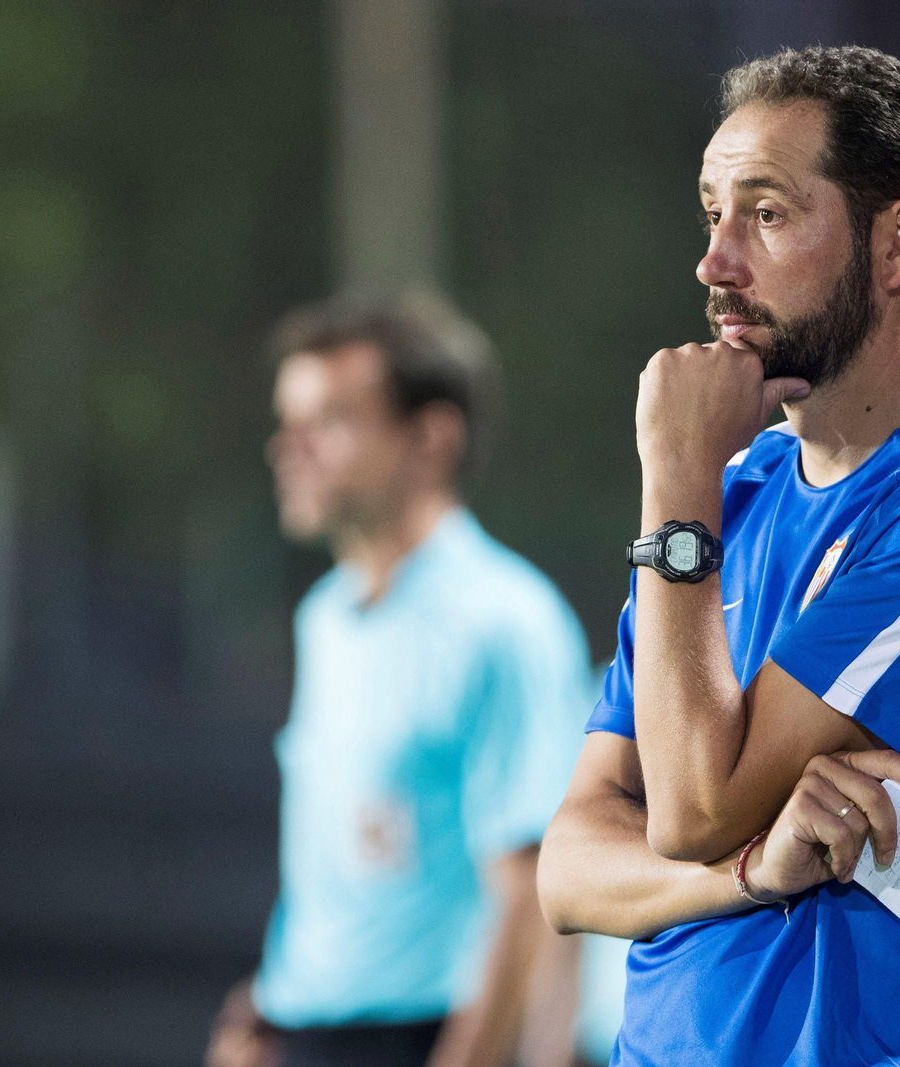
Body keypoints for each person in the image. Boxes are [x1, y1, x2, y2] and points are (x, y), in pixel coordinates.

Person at [537, 45, 900, 1067]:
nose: (715, 262)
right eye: (710, 212)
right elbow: (570, 869)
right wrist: (752, 871)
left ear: (898, 244)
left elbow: (694, 807)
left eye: (767, 211)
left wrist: (670, 481)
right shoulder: (730, 490)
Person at [209, 293, 593, 1067]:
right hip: (307, 1032)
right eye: (289, 420)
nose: (290, 447)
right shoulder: (325, 616)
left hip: (425, 1038)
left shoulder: (506, 621)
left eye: (332, 419)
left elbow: (533, 897)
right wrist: (270, 1007)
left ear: (431, 437)